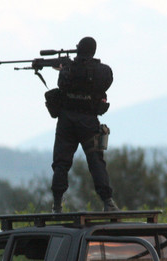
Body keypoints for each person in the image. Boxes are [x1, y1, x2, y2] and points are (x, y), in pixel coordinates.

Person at [50, 36, 118, 213]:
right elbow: (107, 81)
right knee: (96, 161)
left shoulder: (67, 70)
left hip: (66, 122)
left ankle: (57, 204)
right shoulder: (102, 71)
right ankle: (108, 202)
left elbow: (61, 84)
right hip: (88, 121)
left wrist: (63, 69)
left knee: (61, 162)